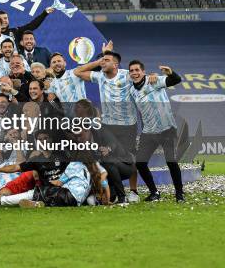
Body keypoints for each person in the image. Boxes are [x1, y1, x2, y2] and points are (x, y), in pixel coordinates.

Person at [74, 46, 140, 202]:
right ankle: (115, 193)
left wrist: (152, 78)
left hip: (128, 125)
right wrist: (99, 59)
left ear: (115, 64)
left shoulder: (126, 75)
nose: (103, 63)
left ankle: (134, 192)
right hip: (108, 125)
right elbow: (77, 72)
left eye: (107, 60)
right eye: (102, 61)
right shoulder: (100, 77)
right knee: (109, 157)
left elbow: (141, 77)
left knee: (130, 158)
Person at [129, 61, 185, 202]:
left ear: (143, 71)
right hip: (149, 131)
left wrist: (170, 73)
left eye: (137, 70)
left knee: (171, 162)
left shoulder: (154, 80)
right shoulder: (131, 90)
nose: (134, 73)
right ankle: (154, 192)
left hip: (167, 129)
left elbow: (176, 80)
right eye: (132, 71)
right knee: (140, 163)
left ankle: (179, 194)